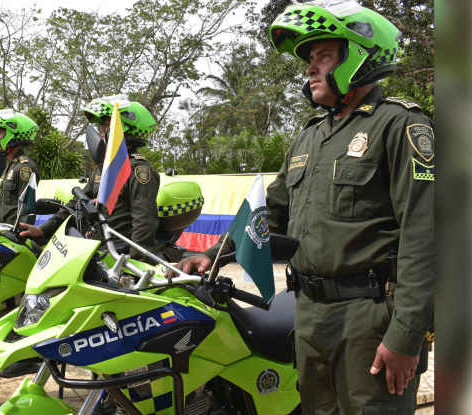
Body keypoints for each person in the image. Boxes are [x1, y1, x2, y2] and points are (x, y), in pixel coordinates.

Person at [173, 3, 434, 413]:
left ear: (360, 55)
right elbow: (268, 212)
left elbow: (427, 238)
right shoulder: (310, 136)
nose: (310, 69)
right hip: (307, 313)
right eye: (310, 61)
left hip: (368, 320)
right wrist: (211, 255)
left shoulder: (399, 126)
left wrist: (406, 337)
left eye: (323, 57)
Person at [19, 95, 160, 262]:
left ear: (126, 128)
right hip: (94, 248)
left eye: (108, 124)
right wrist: (43, 230)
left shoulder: (138, 169)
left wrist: (135, 268)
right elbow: (76, 204)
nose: (101, 129)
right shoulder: (103, 168)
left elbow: (144, 224)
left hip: (118, 254)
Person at [0, 109, 40, 225]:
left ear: (12, 135)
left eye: (0, 132)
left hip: (13, 234)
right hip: (3, 229)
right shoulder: (10, 167)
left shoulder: (25, 168)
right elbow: (3, 210)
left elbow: (26, 213)